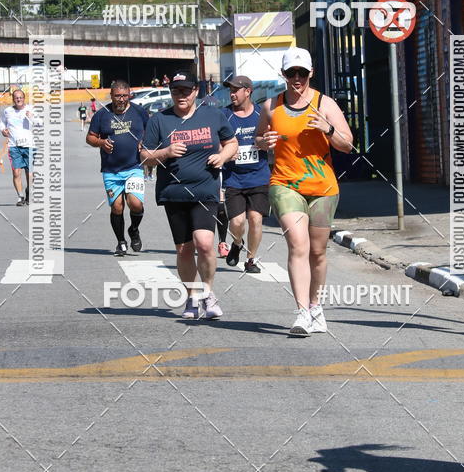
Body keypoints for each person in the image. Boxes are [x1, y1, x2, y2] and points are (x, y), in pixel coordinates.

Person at [256, 47, 353, 336]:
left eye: (301, 73)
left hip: (322, 187)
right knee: (298, 245)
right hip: (285, 184)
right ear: (283, 75)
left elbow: (348, 145)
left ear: (311, 73)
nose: (296, 78)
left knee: (318, 252)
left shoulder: (325, 104)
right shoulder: (270, 106)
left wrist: (329, 129)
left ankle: (316, 307)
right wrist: (264, 142)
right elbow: (259, 138)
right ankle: (301, 313)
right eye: (290, 73)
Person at [141, 70, 238, 321]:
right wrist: (166, 152)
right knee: (184, 250)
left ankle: (208, 294)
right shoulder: (159, 120)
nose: (180, 95)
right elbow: (144, 156)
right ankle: (192, 296)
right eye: (176, 91)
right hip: (173, 193)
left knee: (205, 243)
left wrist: (223, 156)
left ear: (196, 91)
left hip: (205, 190)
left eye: (185, 90)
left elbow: (232, 143)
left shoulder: (213, 115)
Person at [86, 80, 148, 256]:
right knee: (117, 207)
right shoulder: (102, 115)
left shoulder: (139, 112)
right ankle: (121, 241)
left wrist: (146, 142)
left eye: (124, 96)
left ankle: (134, 230)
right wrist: (101, 142)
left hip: (134, 166)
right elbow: (90, 138)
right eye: (117, 96)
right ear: (111, 96)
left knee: (135, 204)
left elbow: (151, 131)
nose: (121, 99)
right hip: (111, 170)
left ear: (129, 95)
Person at [222, 75, 271, 273]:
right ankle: (236, 243)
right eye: (230, 90)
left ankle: (251, 260)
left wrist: (268, 142)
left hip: (258, 175)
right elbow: (216, 142)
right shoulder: (224, 115)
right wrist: (224, 153)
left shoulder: (261, 113)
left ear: (248, 91)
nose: (232, 94)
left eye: (236, 90)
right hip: (233, 177)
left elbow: (271, 137)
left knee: (256, 219)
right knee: (237, 221)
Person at [0, 88, 35, 206]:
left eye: (20, 97)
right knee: (16, 172)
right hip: (14, 146)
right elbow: (2, 124)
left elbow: (40, 123)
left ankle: (29, 191)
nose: (18, 99)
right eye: (16, 97)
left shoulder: (31, 109)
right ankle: (20, 197)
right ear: (13, 99)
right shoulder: (7, 111)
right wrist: (3, 131)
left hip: (29, 145)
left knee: (29, 173)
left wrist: (32, 117)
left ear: (24, 98)